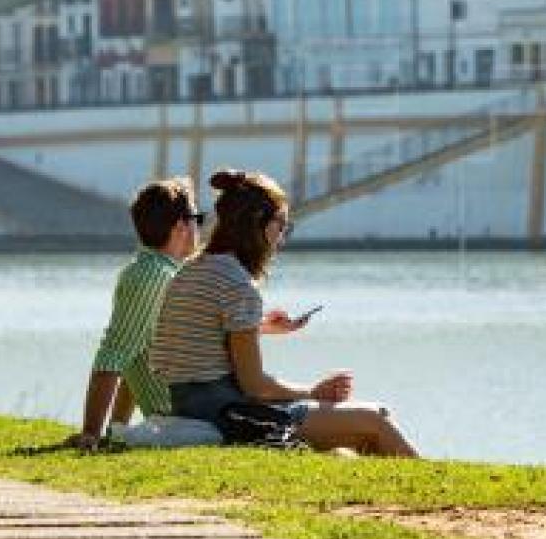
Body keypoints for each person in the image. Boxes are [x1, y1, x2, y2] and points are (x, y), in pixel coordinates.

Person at [152, 169, 419, 456]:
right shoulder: (238, 285)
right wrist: (314, 392)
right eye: (281, 225)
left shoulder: (191, 271)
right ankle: (430, 491)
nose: (282, 237)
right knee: (377, 420)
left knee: (361, 433)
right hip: (229, 414)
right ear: (258, 224)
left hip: (191, 406)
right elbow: (255, 386)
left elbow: (202, 341)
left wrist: (261, 326)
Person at [66, 178, 202, 450]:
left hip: (198, 413)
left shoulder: (165, 273)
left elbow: (132, 358)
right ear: (180, 226)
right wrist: (90, 434)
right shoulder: (149, 276)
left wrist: (116, 430)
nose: (200, 227)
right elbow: (112, 357)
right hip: (190, 421)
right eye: (197, 218)